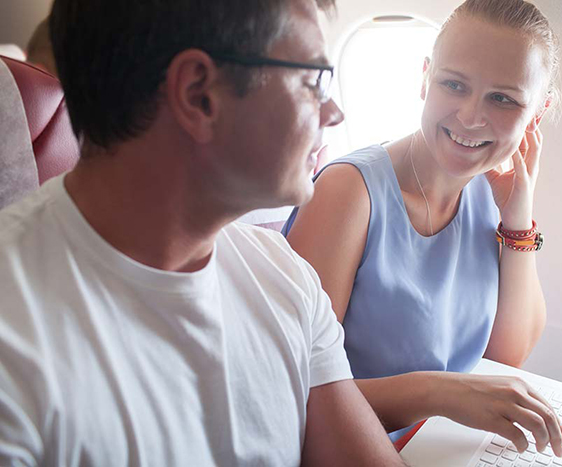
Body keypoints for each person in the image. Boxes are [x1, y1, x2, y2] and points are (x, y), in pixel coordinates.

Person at [0, 0, 406, 465]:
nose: (332, 111)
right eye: (312, 80)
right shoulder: (15, 340)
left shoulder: (283, 275)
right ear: (199, 94)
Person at [283, 0, 562, 456]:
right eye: (454, 85)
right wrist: (438, 395)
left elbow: (506, 354)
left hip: (439, 444)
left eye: (503, 99)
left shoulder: (490, 190)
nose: (471, 116)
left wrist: (518, 221)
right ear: (424, 78)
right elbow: (291, 392)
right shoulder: (349, 193)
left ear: (537, 113)